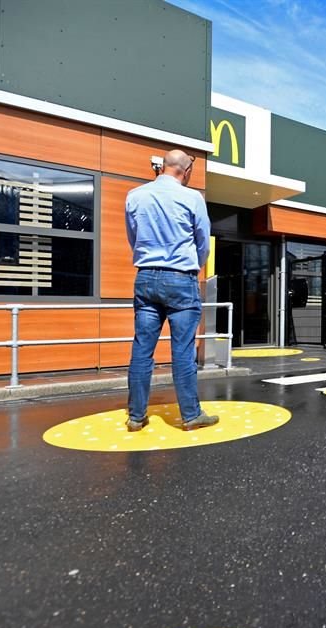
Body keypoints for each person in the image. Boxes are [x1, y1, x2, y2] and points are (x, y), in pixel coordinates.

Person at [124, 150, 220, 432]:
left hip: (145, 277)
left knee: (142, 350)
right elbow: (203, 242)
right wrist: (194, 267)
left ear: (163, 166)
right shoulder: (192, 198)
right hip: (181, 279)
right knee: (182, 351)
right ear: (186, 171)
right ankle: (191, 415)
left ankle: (135, 416)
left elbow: (134, 236)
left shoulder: (135, 195)